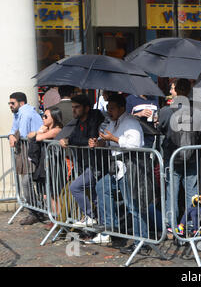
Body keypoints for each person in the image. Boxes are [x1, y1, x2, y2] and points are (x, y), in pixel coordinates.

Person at [89, 94, 148, 250]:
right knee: (102, 187)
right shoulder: (112, 122)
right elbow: (106, 140)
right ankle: (111, 227)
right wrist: (97, 142)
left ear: (122, 108)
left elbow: (134, 144)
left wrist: (114, 139)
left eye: (112, 108)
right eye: (108, 108)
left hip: (130, 167)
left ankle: (141, 242)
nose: (109, 111)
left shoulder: (130, 123)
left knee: (133, 205)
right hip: (117, 168)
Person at [157, 78, 199, 231]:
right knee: (191, 193)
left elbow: (161, 130)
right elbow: (200, 133)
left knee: (171, 194)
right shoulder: (197, 111)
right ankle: (191, 224)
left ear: (177, 90)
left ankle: (171, 226)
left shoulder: (166, 111)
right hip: (191, 156)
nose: (170, 91)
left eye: (172, 88)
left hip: (172, 157)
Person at [60, 94, 105, 228]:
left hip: (96, 164)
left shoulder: (95, 119)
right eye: (73, 107)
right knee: (96, 198)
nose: (73, 110)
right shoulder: (80, 121)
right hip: (86, 164)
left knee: (75, 187)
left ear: (86, 108)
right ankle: (100, 227)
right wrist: (68, 140)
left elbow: (90, 139)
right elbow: (74, 137)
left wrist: (74, 140)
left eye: (77, 107)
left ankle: (91, 216)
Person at [8, 92, 43, 226]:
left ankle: (35, 212)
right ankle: (36, 211)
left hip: (34, 151)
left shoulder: (26, 113)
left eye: (13, 103)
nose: (10, 106)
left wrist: (14, 136)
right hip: (29, 150)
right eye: (9, 103)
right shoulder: (19, 113)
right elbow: (14, 130)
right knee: (29, 181)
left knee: (27, 182)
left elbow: (21, 133)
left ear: (21, 103)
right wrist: (12, 135)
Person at [27, 107, 64, 228]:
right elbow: (30, 135)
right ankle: (54, 217)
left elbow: (37, 137)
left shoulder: (57, 129)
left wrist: (39, 132)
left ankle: (59, 219)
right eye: (43, 115)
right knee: (46, 194)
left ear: (54, 117)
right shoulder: (46, 129)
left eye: (46, 116)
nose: (43, 118)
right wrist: (40, 130)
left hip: (55, 164)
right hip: (45, 164)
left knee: (54, 193)